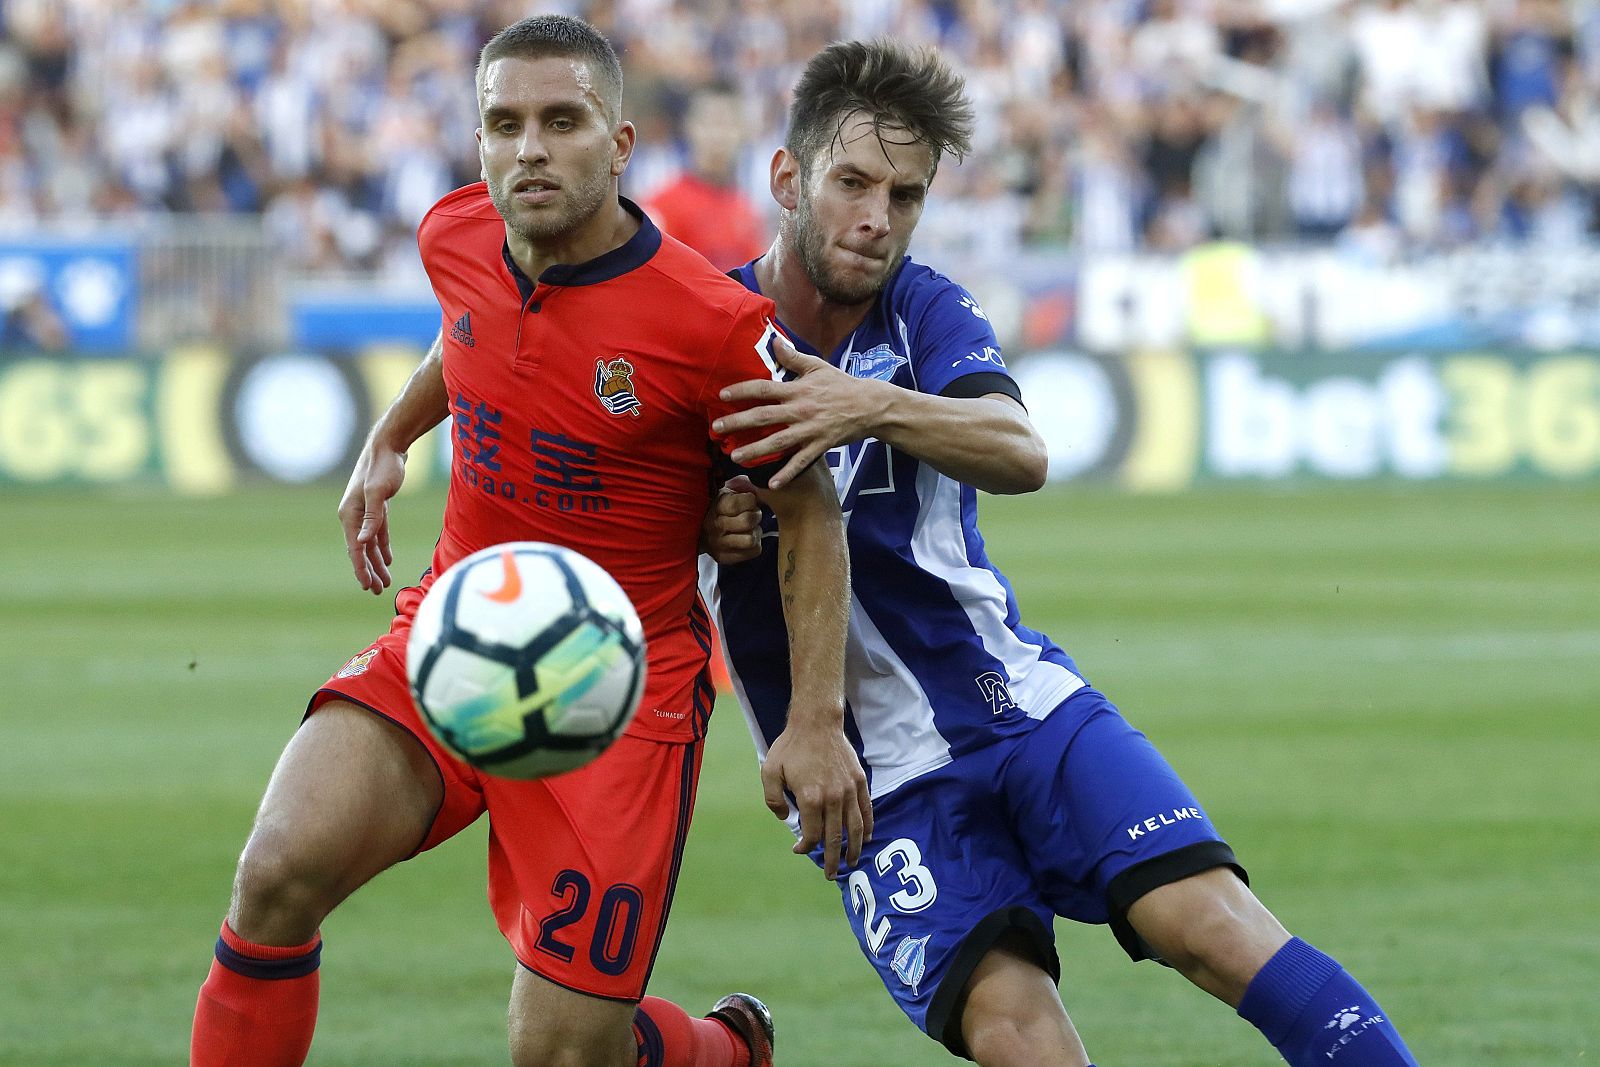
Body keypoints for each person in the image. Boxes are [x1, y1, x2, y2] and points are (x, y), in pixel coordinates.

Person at [699, 39, 1420, 1067]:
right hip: (873, 778)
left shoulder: (926, 311)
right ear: (787, 176)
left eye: (905, 195)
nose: (877, 218)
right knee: (1012, 1026)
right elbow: (617, 493)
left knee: (1214, 929)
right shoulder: (703, 329)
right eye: (852, 183)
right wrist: (696, 522)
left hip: (1019, 703)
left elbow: (1018, 450)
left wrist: (868, 404)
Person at [190, 16, 870, 1067]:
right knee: (276, 870)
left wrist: (816, 721)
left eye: (562, 121)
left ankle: (724, 1052)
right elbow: (467, 333)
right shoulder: (451, 233)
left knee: (561, 1052)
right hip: (453, 632)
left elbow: (811, 507)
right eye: (503, 125)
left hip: (617, 694)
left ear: (620, 142)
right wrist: (391, 434)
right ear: (476, 141)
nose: (529, 149)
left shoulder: (709, 324)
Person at [642, 82, 768, 271]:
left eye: (728, 124)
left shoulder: (747, 210)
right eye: (711, 123)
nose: (718, 135)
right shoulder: (662, 206)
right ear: (690, 126)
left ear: (742, 131)